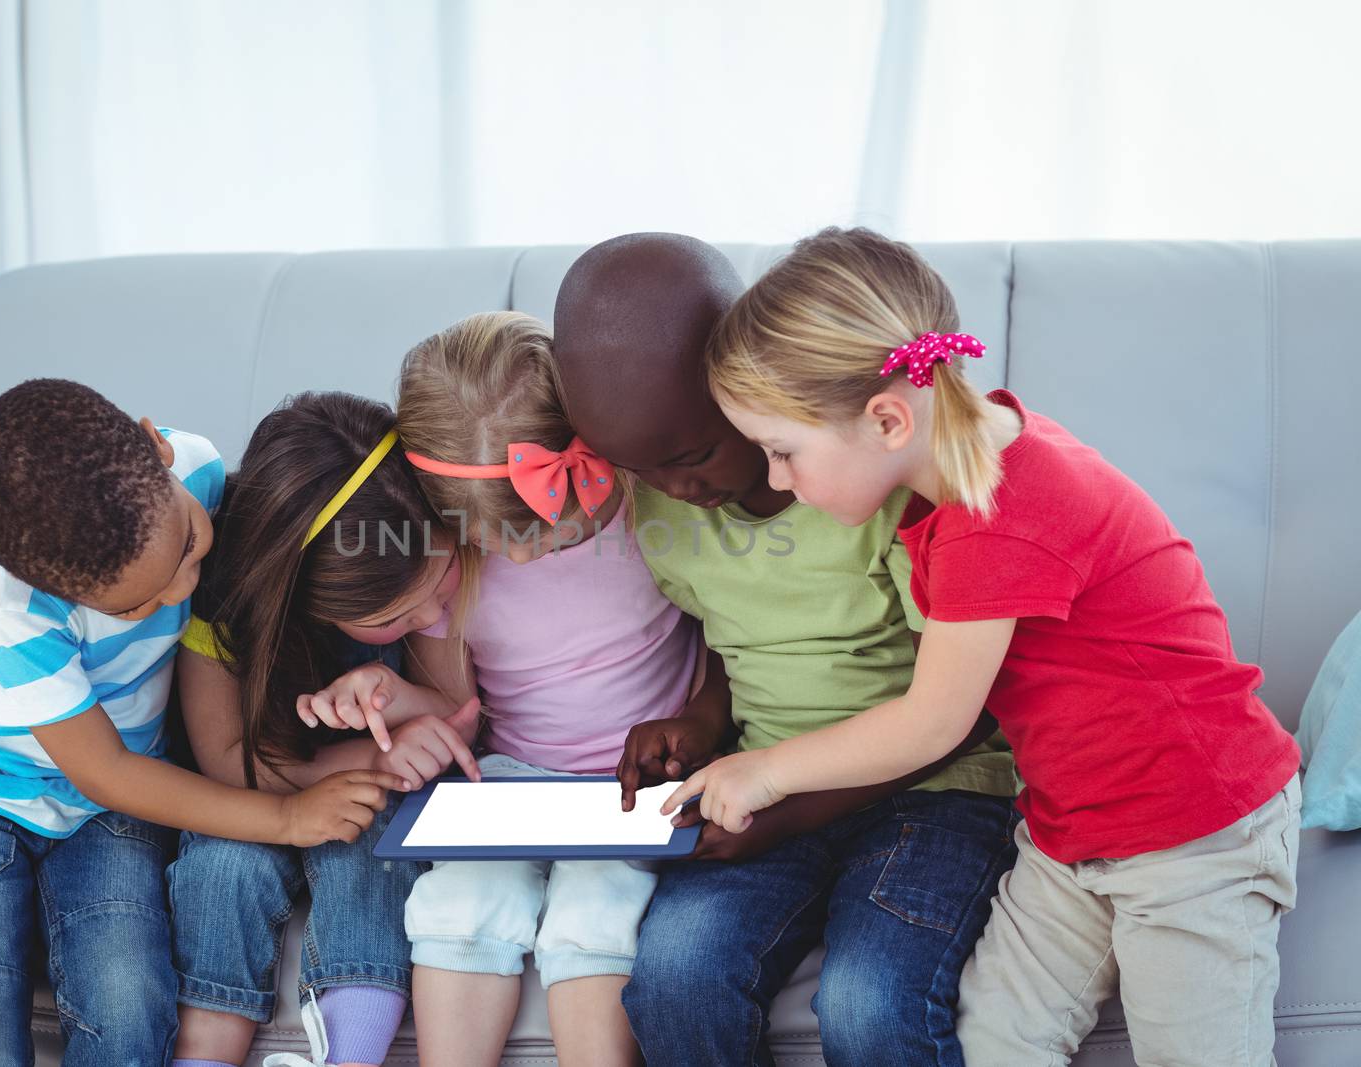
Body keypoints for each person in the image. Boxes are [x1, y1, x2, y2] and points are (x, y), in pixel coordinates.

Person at [673, 225, 1303, 1066]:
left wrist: (763, 768)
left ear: (888, 417)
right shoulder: (973, 457)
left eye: (782, 451)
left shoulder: (999, 512)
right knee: (994, 1045)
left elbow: (931, 724)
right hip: (1070, 833)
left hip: (1194, 834)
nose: (777, 479)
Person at [551, 234, 1020, 1067]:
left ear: (746, 385)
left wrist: (788, 807)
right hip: (767, 781)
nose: (674, 490)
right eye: (638, 470)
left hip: (934, 786)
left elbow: (955, 710)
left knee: (867, 1004)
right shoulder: (663, 508)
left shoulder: (877, 486)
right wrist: (698, 721)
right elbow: (737, 642)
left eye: (692, 453)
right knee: (675, 977)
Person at [0, 379, 400, 1067]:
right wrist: (288, 816)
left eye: (187, 545)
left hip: (101, 802)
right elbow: (108, 772)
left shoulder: (201, 471)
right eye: (135, 607)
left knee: (127, 1001)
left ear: (157, 445)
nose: (183, 591)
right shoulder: (6, 604)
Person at [305, 311, 707, 1067]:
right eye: (499, 539)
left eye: (549, 527)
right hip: (510, 775)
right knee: (457, 903)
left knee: (595, 914)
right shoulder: (448, 564)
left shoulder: (650, 507)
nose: (525, 554)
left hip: (639, 782)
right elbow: (456, 709)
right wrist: (386, 695)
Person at [169, 391, 480, 1067]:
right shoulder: (223, 591)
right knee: (222, 867)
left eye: (441, 576)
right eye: (401, 613)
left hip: (367, 795)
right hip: (259, 784)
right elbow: (225, 757)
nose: (436, 608)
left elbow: (459, 705)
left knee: (370, 841)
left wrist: (400, 698)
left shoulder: (412, 528)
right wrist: (336, 771)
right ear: (312, 603)